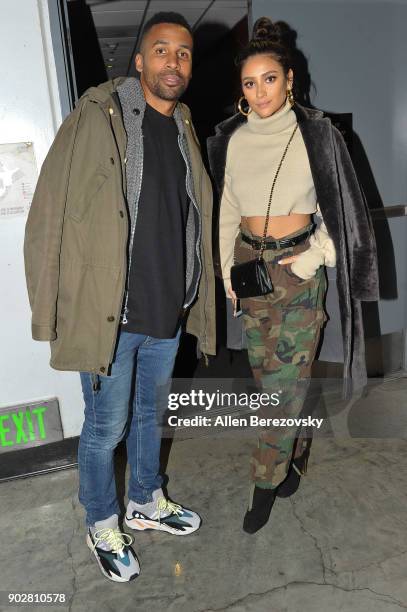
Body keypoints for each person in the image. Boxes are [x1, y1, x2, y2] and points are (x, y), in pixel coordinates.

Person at [24, 12, 215, 582]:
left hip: (166, 310)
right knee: (106, 428)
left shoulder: (184, 126)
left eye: (183, 53)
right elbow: (50, 213)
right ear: (139, 61)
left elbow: (193, 217)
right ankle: (101, 520)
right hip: (112, 315)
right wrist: (49, 304)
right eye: (161, 51)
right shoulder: (96, 118)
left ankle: (145, 500)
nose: (173, 62)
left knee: (151, 418)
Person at [207, 17, 378, 534]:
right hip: (249, 269)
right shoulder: (232, 141)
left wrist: (311, 258)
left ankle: (265, 482)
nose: (260, 92)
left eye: (269, 79)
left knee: (280, 392)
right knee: (274, 388)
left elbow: (345, 214)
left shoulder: (319, 135)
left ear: (289, 80)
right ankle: (297, 449)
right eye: (249, 83)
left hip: (298, 274)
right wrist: (227, 279)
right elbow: (226, 214)